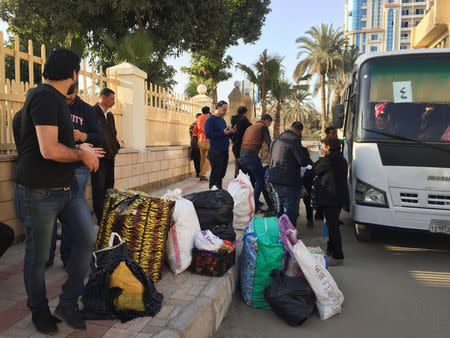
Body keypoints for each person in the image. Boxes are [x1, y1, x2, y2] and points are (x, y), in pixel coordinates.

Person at [15, 48, 103, 333]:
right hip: (40, 192)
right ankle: (39, 310)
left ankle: (67, 302)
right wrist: (81, 155)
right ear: (74, 74)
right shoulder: (43, 97)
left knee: (88, 238)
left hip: (67, 190)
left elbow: (59, 143)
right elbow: (49, 149)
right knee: (39, 255)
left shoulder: (56, 99)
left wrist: (81, 148)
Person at [48, 82, 104, 267]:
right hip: (55, 165)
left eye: (70, 95)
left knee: (71, 212)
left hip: (78, 168)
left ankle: (68, 257)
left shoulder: (87, 110)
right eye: (65, 95)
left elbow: (99, 136)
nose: (67, 99)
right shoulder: (54, 105)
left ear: (76, 91)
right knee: (48, 211)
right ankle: (46, 258)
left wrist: (83, 137)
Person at [313, 137, 350, 266]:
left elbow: (316, 169)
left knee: (333, 227)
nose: (322, 148)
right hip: (338, 198)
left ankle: (338, 256)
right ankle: (332, 249)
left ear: (328, 147)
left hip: (331, 198)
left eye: (323, 146)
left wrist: (322, 157)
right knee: (332, 224)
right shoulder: (341, 159)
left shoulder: (329, 159)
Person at [269, 121, 308, 229]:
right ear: (300, 131)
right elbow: (303, 161)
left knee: (280, 210)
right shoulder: (294, 140)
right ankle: (289, 237)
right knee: (290, 212)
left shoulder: (277, 138)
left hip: (275, 179)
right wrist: (304, 150)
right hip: (289, 182)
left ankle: (280, 235)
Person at [92, 88, 121, 224]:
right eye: (111, 99)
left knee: (109, 187)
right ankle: (100, 217)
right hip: (98, 157)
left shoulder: (110, 115)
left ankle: (108, 215)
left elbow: (113, 134)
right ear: (103, 98)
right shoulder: (92, 112)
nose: (113, 102)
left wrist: (115, 148)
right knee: (98, 188)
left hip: (110, 156)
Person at [239, 114, 273, 213]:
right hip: (251, 156)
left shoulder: (250, 127)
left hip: (242, 156)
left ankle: (251, 202)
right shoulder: (263, 127)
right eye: (269, 123)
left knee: (253, 179)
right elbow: (269, 143)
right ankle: (255, 205)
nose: (269, 125)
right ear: (267, 121)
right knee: (260, 180)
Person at [205, 100, 235, 189]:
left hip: (224, 150)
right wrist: (223, 133)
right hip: (215, 151)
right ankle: (212, 193)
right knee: (215, 174)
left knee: (221, 174)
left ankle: (219, 192)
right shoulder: (210, 120)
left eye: (226, 110)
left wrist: (231, 132)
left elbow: (225, 133)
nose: (225, 112)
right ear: (218, 108)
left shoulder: (222, 120)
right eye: (224, 110)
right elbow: (208, 134)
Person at [231, 106, 252, 178]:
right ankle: (240, 182)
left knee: (238, 165)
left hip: (235, 146)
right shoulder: (244, 120)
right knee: (243, 166)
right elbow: (251, 127)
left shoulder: (233, 120)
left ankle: (237, 181)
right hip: (242, 146)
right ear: (245, 113)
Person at [194, 106, 212, 182]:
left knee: (203, 158)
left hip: (200, 140)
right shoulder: (210, 118)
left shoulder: (199, 118)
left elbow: (195, 130)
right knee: (209, 158)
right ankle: (202, 173)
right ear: (209, 111)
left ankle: (201, 173)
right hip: (208, 140)